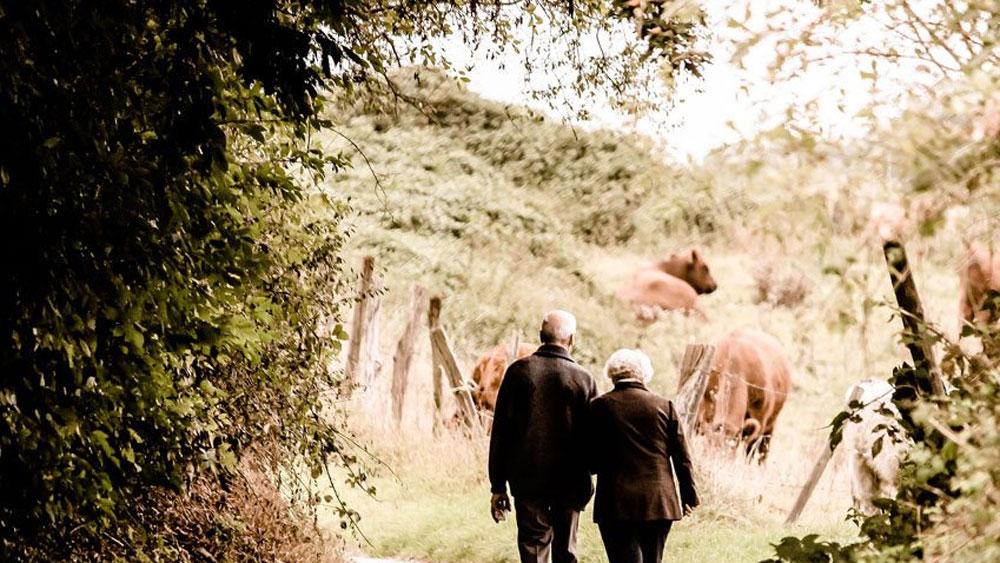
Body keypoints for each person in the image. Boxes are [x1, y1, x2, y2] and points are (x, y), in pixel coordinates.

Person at [488, 310, 597, 563]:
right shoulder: (584, 379)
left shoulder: (518, 372)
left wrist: (498, 485)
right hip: (571, 482)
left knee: (533, 548)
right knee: (566, 552)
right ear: (572, 339)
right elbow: (592, 439)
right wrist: (588, 476)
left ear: (540, 336)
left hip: (527, 480)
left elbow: (501, 432)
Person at [589, 348, 700, 563]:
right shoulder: (664, 406)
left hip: (616, 501)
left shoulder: (599, 407)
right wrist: (689, 495)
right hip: (659, 501)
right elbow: (682, 456)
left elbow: (590, 456)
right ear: (644, 374)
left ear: (612, 373)